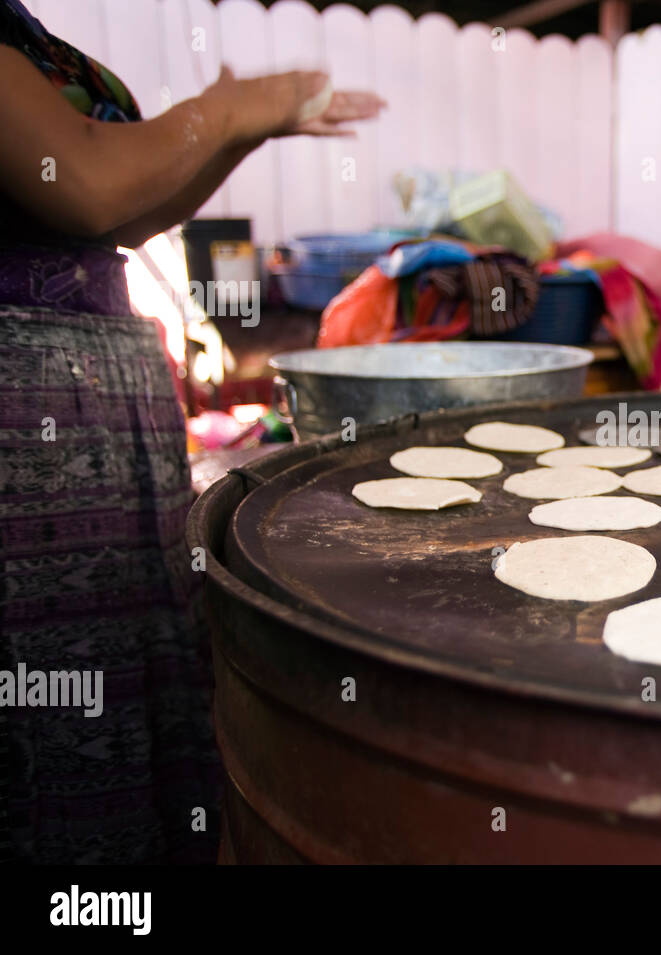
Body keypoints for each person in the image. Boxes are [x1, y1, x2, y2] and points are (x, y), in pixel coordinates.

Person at [0, 0, 382, 863]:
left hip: (92, 411)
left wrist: (238, 134)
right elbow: (85, 176)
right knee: (45, 718)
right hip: (23, 447)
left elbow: (118, 217)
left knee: (116, 691)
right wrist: (237, 108)